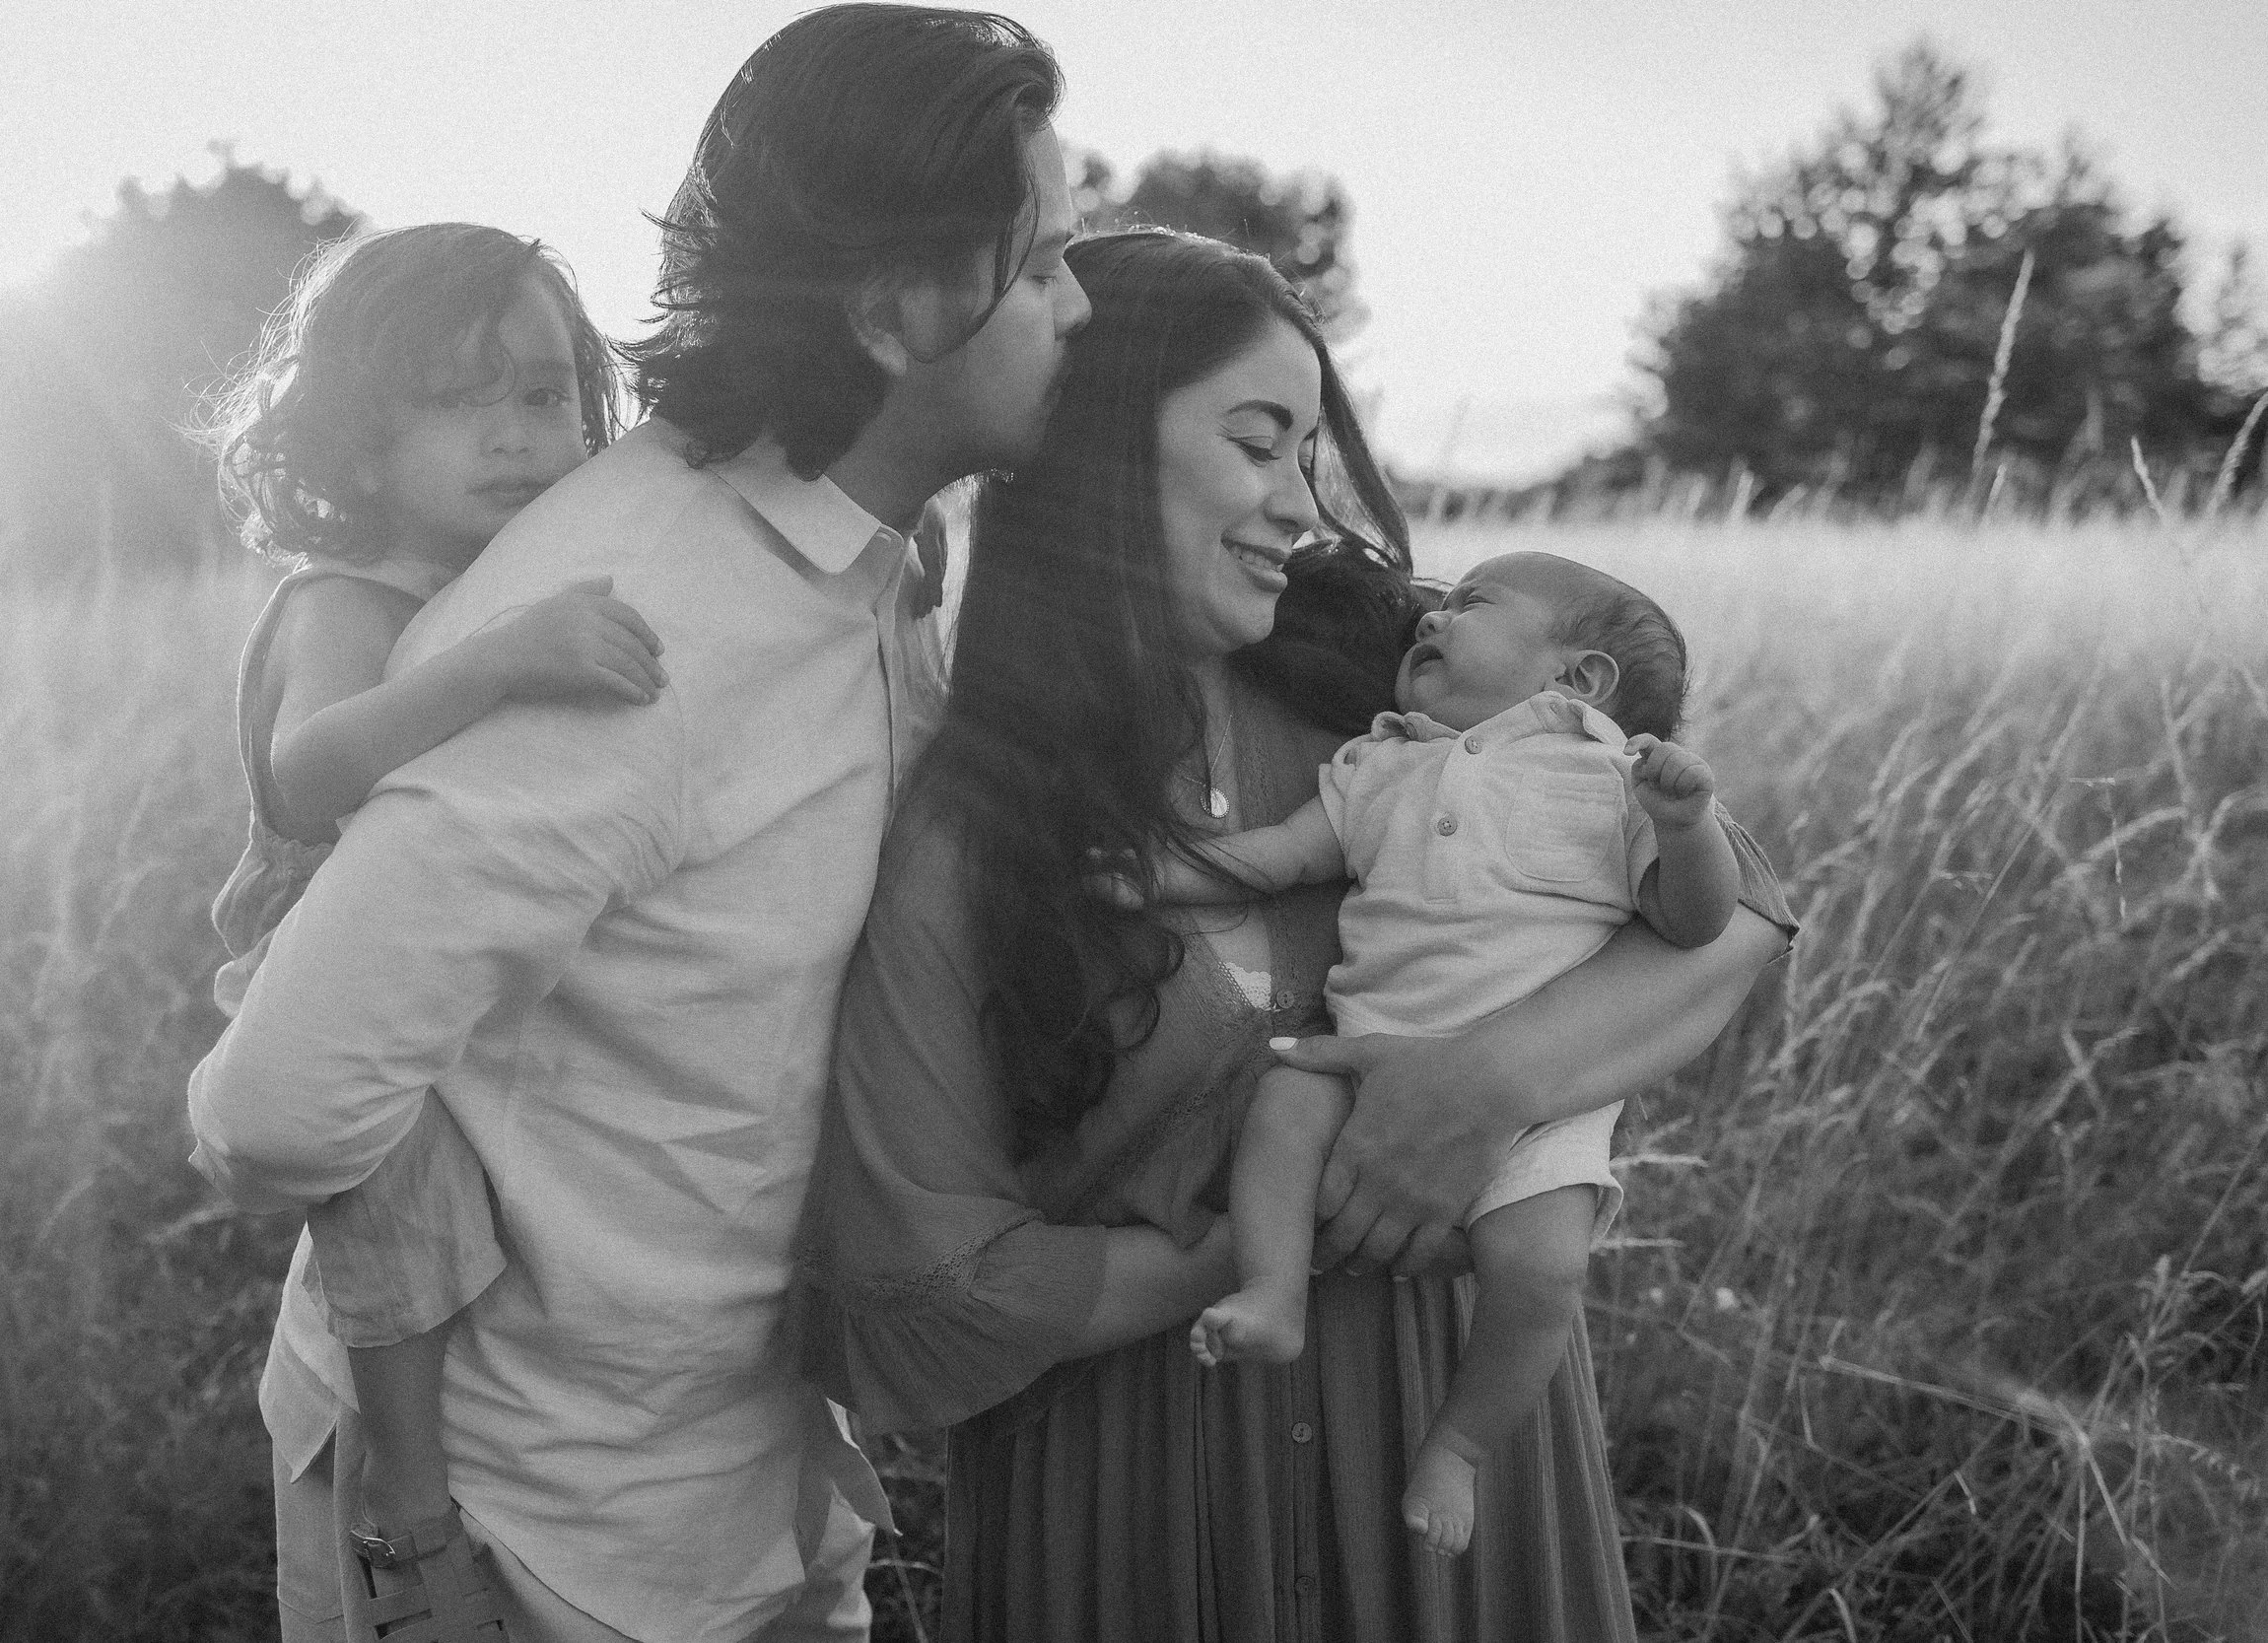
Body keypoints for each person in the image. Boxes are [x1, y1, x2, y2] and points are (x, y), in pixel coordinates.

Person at [188, 8, 1090, 1641]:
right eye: (1043, 268)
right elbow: (279, 1103)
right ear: (895, 310)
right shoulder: (638, 621)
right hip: (532, 1540)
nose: (1078, 309)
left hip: (748, 1486)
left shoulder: (861, 561)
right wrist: (417, 1537)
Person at [795, 229, 1796, 1641]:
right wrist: (1254, 1247)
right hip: (1135, 1503)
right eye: (1257, 443)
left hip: (1457, 1464)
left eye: (1310, 452)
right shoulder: (975, 830)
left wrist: (1488, 1086)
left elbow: (1738, 910)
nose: (1299, 505)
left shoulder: (1401, 699)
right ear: (1090, 455)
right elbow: (926, 1277)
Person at [202, 221, 669, 1639]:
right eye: (464, 402)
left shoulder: (491, 587)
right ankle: (406, 1497)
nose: (517, 436)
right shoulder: (351, 599)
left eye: (543, 396)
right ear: (356, 438)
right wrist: (496, 664)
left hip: (425, 950)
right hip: (316, 953)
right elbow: (312, 766)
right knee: (408, 1205)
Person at [1112, 551, 1741, 1558]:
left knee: (1540, 1270)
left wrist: (1686, 822)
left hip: (1538, 1107)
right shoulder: (1378, 761)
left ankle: (1458, 1443)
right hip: (1363, 1053)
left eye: (1472, 604)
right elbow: (1278, 855)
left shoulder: (1609, 777)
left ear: (1577, 681)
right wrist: (1154, 875)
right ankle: (1274, 1293)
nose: (1433, 617)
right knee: (1284, 1101)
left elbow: (1697, 919)